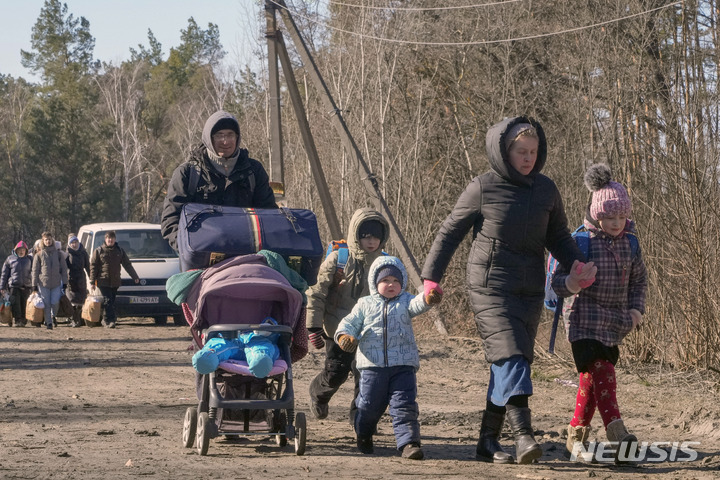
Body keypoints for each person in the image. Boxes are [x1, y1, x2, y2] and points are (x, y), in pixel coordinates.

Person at [421, 116, 597, 464]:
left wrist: (576, 263)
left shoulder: (546, 189)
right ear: (504, 150)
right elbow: (450, 231)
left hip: (528, 287)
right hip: (489, 285)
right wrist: (431, 277)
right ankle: (523, 436)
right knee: (512, 355)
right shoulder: (483, 186)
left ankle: (487, 440)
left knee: (508, 361)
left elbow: (559, 236)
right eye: (521, 151)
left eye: (533, 151)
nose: (528, 158)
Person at [551, 164, 647, 463]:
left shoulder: (631, 244)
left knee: (591, 381)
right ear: (596, 214)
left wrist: (635, 310)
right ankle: (619, 437)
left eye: (621, 216)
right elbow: (556, 283)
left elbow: (639, 280)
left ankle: (575, 438)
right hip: (582, 319)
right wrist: (572, 282)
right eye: (609, 217)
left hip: (614, 322)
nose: (616, 223)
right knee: (604, 372)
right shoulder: (580, 243)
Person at [334, 255, 437, 460]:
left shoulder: (406, 301)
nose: (391, 285)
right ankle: (363, 433)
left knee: (404, 404)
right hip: (372, 365)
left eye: (396, 281)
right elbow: (349, 323)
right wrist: (345, 337)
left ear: (402, 284)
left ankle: (409, 443)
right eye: (385, 280)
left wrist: (427, 298)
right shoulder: (365, 304)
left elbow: (418, 304)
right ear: (375, 282)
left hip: (403, 365)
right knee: (369, 404)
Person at [305, 208, 390, 423]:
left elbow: (395, 297)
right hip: (337, 329)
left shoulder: (386, 264)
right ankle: (318, 395)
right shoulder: (338, 259)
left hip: (370, 332)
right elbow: (316, 292)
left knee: (366, 378)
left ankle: (360, 421)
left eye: (376, 236)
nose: (372, 241)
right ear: (356, 235)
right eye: (366, 236)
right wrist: (313, 327)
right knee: (336, 373)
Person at [161, 110, 278, 250]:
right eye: (219, 135)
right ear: (209, 138)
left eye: (230, 135)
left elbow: (270, 215)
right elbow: (171, 221)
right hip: (201, 257)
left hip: (247, 255)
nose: (225, 141)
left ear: (237, 137)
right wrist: (187, 248)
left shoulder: (254, 171)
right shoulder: (187, 173)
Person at [89, 231, 140, 328]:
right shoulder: (99, 251)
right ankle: (110, 321)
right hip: (103, 281)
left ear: (115, 239)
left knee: (111, 301)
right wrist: (92, 282)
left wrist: (135, 277)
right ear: (105, 239)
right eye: (108, 238)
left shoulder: (119, 251)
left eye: (112, 238)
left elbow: (127, 265)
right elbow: (93, 267)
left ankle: (105, 319)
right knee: (107, 300)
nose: (110, 240)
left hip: (115, 281)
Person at [31, 232, 68, 330]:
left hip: (56, 283)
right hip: (43, 283)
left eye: (49, 239)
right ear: (43, 241)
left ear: (52, 240)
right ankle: (49, 323)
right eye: (46, 240)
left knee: (55, 302)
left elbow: (64, 269)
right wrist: (34, 284)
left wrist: (65, 282)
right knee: (46, 303)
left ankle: (53, 315)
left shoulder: (59, 254)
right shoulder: (39, 255)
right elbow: (35, 271)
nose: (48, 241)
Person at [0, 241, 33, 327]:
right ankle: (17, 320)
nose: (21, 251)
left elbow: (34, 272)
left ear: (26, 251)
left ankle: (24, 320)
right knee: (15, 304)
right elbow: (4, 274)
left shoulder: (30, 259)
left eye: (23, 250)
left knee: (24, 303)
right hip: (14, 286)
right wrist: (2, 286)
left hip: (26, 286)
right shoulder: (10, 259)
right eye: (19, 250)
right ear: (16, 250)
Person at [66, 234, 90, 328]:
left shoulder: (83, 253)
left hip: (81, 278)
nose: (74, 244)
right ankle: (73, 319)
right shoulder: (67, 253)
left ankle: (80, 319)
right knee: (71, 300)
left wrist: (91, 278)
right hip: (71, 278)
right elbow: (64, 267)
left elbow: (88, 266)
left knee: (81, 300)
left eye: (75, 242)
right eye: (72, 243)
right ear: (69, 244)